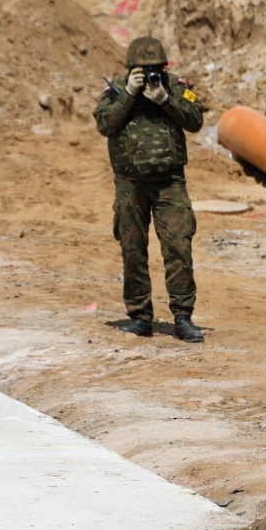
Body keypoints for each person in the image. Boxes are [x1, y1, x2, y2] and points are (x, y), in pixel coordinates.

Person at [94, 36, 205, 343]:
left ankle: (183, 317)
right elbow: (105, 124)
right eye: (143, 70)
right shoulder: (117, 90)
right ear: (131, 69)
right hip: (131, 184)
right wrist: (129, 93)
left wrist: (165, 100)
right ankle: (140, 315)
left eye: (155, 68)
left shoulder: (174, 87)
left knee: (178, 249)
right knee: (132, 249)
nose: (150, 74)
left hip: (170, 183)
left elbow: (196, 120)